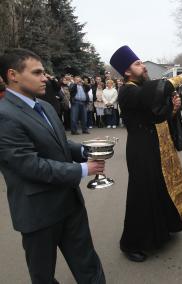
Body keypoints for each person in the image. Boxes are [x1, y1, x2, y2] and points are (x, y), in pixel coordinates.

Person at [0, 48, 106, 284]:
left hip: (70, 204)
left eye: (44, 72)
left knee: (88, 266)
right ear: (13, 75)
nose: (45, 77)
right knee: (43, 277)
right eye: (37, 72)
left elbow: (59, 141)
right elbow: (29, 165)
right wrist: (83, 169)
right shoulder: (4, 115)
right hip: (38, 212)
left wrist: (83, 151)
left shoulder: (45, 106)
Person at [109, 45, 182, 262]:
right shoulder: (127, 90)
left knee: (158, 190)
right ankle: (131, 243)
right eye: (138, 64)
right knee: (141, 197)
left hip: (153, 146)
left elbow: (154, 116)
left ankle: (162, 231)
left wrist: (172, 110)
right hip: (140, 150)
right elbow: (152, 93)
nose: (143, 67)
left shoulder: (138, 88)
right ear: (127, 71)